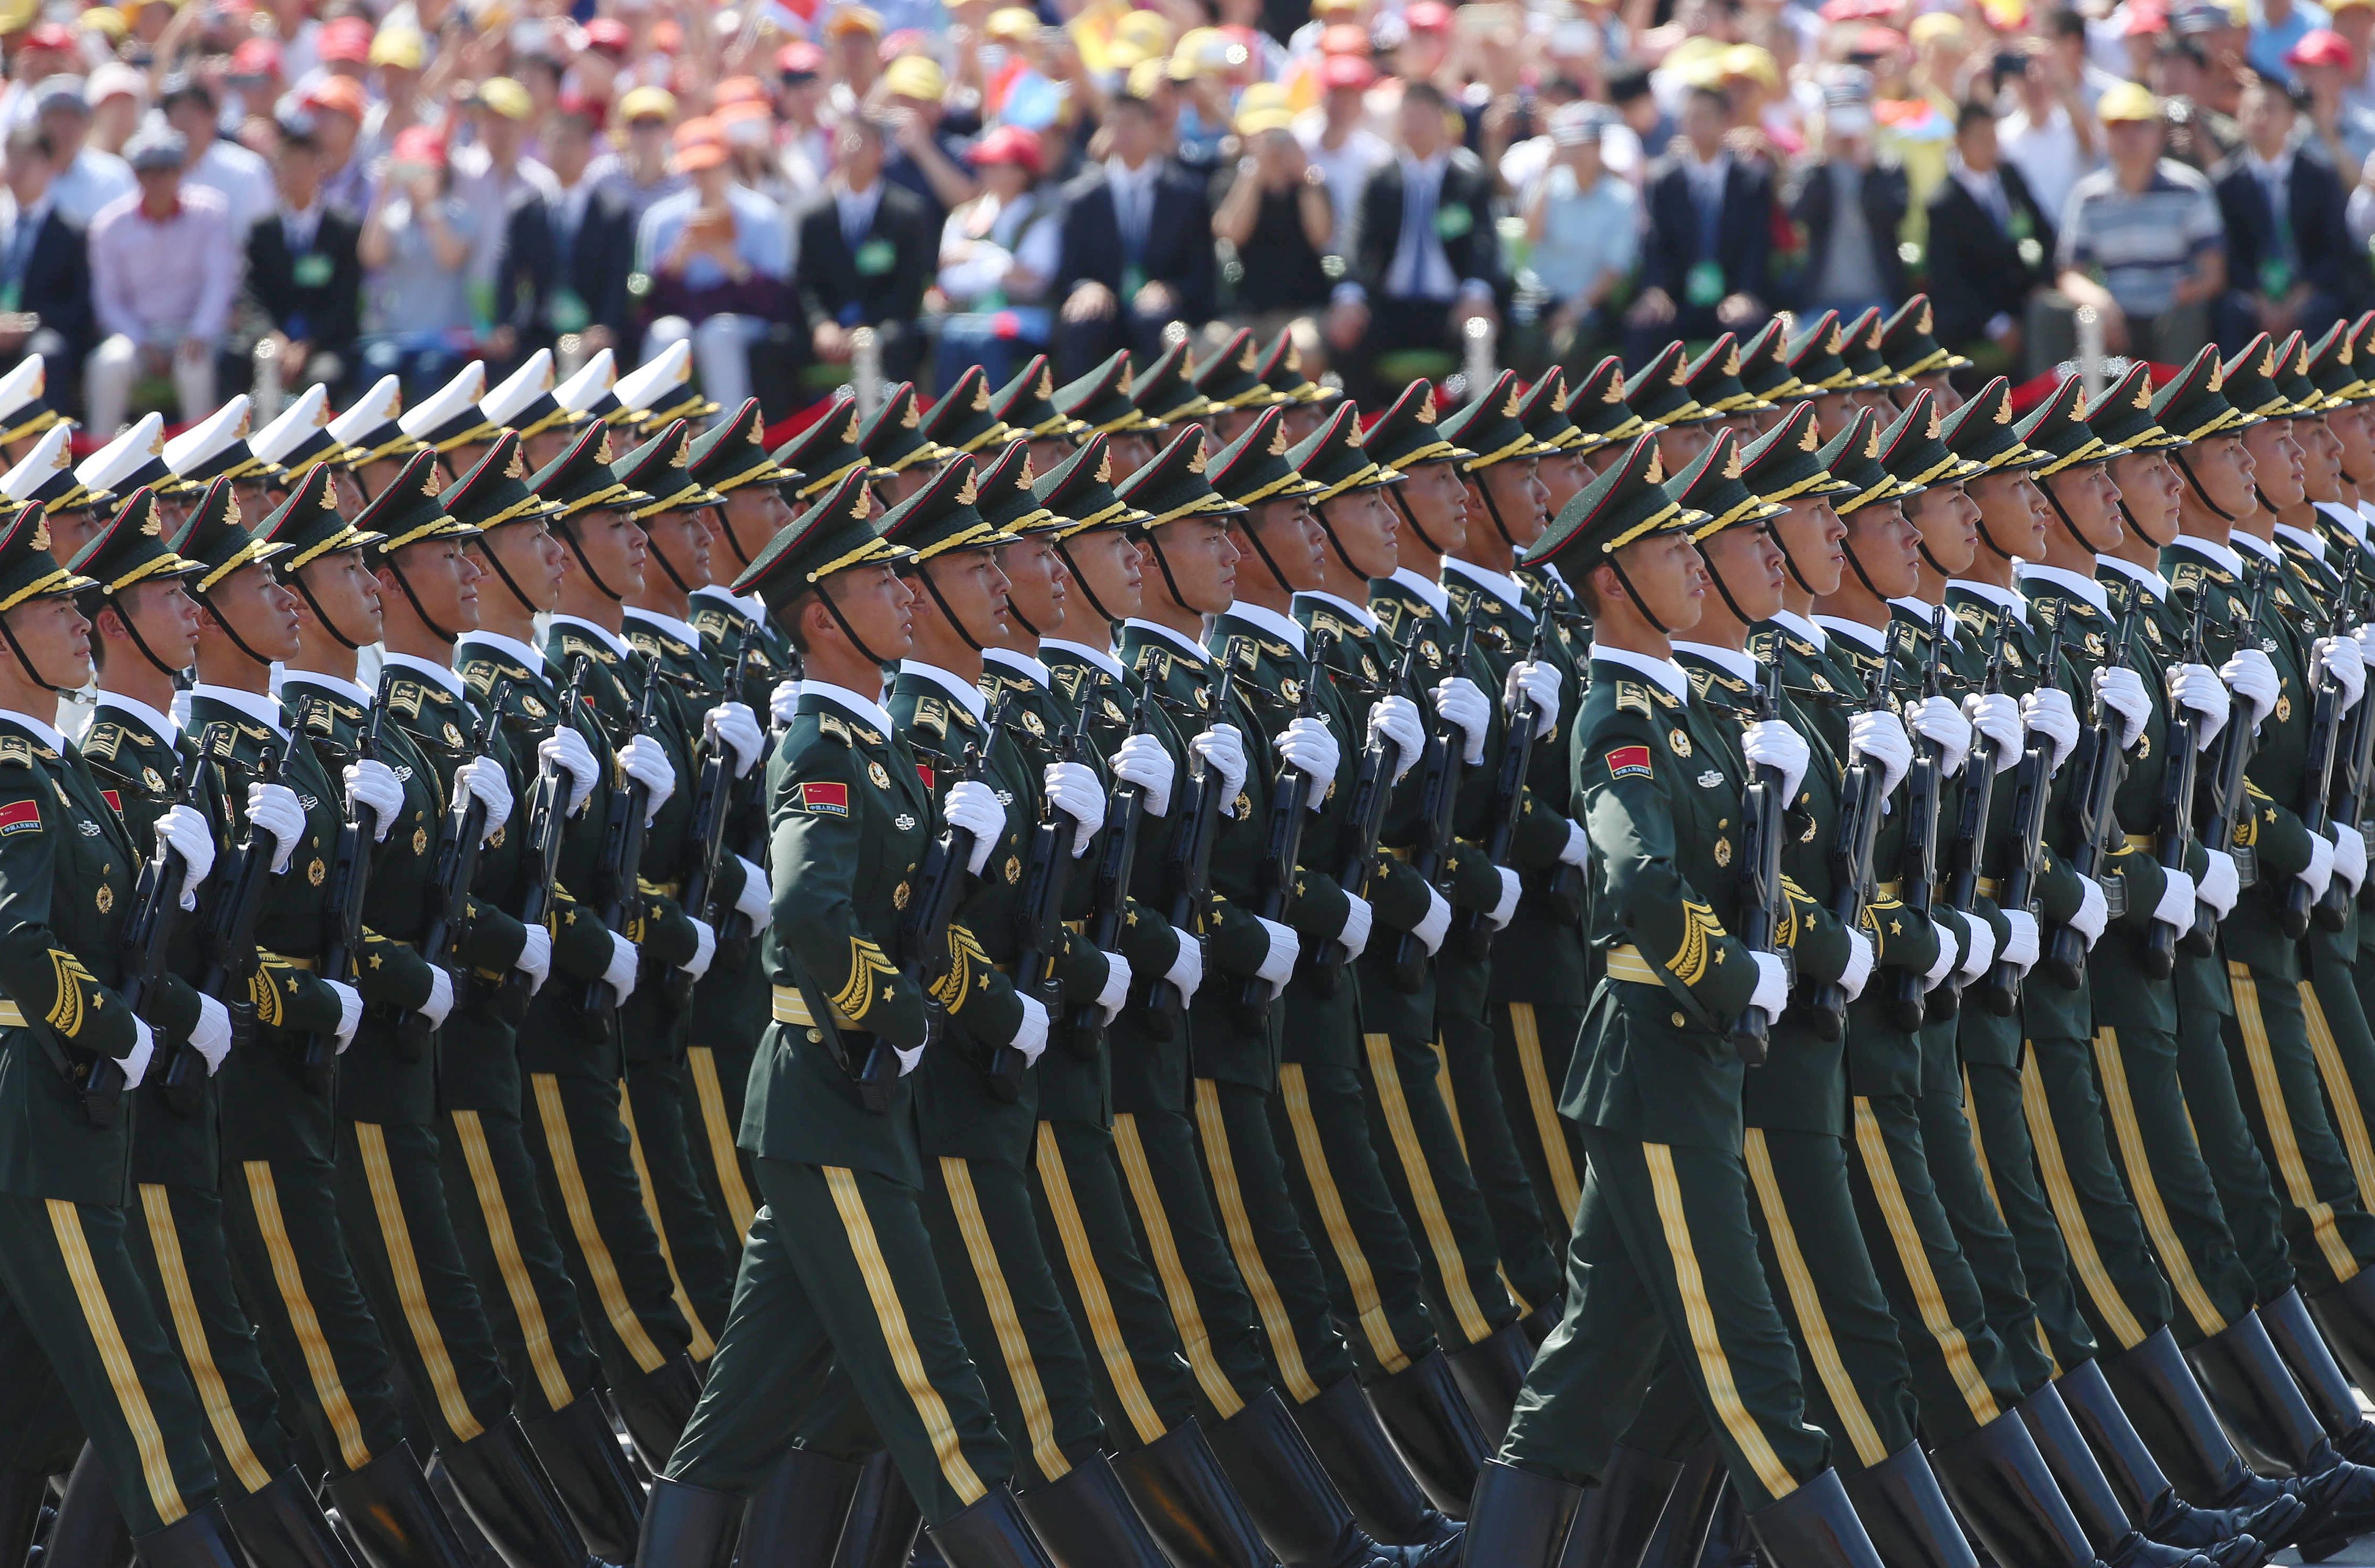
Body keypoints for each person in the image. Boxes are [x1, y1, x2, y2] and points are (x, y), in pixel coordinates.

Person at [1329, 80, 1504, 405]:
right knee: (1345, 337)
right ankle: (1364, 437)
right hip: (1391, 305)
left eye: (1424, 115)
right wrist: (1350, 295)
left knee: (1481, 335)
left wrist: (1475, 291)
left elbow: (1484, 241)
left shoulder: (1467, 177)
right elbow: (1358, 239)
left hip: (1450, 306)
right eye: (1409, 116)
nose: (1416, 125)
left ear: (1443, 120)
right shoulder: (1381, 178)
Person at [2051, 82, 2229, 364]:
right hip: (2113, 318)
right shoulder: (2088, 196)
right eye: (2118, 127)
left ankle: (2179, 405)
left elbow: (2214, 273)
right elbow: (2070, 274)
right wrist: (2099, 302)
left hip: (2173, 314)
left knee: (2192, 318)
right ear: (2104, 135)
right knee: (2053, 312)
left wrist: (2186, 293)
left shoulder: (2190, 189)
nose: (2129, 136)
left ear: (2159, 132)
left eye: (2140, 125)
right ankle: (2058, 406)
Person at [85, 125, 237, 436]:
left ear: (180, 172)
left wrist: (200, 332)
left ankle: (202, 467)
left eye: (166, 171)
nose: (156, 180)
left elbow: (220, 281)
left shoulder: (210, 213)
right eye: (147, 171)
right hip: (139, 333)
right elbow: (108, 299)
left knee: (193, 369)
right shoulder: (110, 225)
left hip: (193, 333)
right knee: (109, 364)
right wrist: (140, 339)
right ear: (135, 175)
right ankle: (98, 461)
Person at [1053, 90, 1217, 379]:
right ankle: (1081, 416)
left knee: (1157, 321)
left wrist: (1170, 289)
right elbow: (1068, 270)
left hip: (1161, 310)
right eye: (1114, 124)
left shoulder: (1186, 193)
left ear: (1153, 128)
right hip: (1107, 305)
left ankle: (1165, 416)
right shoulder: (1081, 196)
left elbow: (1202, 271)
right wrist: (1085, 286)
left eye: (1131, 123)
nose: (1122, 133)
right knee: (1081, 322)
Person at [637, 122, 790, 422]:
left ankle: (730, 438)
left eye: (711, 168)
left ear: (727, 165)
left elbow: (778, 301)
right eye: (696, 170)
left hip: (746, 323)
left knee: (718, 333)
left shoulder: (762, 214)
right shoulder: (662, 219)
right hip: (686, 319)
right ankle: (649, 439)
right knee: (666, 333)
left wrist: (731, 263)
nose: (703, 178)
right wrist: (677, 263)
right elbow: (648, 301)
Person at [1625, 85, 1774, 365]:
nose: (1698, 126)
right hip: (1680, 297)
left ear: (1726, 121)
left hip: (1732, 293)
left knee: (1748, 328)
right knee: (1644, 328)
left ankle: (1746, 410)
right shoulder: (1663, 180)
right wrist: (1656, 290)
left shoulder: (1752, 179)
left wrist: (1746, 293)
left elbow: (1758, 244)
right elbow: (1655, 241)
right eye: (1691, 118)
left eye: (1706, 117)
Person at [2212, 77, 2364, 349]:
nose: (2261, 119)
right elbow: (2228, 254)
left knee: (2325, 311)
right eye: (2252, 111)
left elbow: (2335, 248)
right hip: (2254, 293)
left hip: (2309, 289)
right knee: (2231, 312)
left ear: (2292, 119)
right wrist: (2260, 298)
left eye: (2270, 109)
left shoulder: (2319, 176)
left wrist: (2300, 296)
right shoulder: (2225, 183)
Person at [492, 100, 637, 373]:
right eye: (557, 142)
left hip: (595, 330)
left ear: (589, 150)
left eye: (573, 142)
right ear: (543, 148)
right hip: (540, 330)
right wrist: (505, 325)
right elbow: (508, 270)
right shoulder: (524, 210)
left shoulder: (613, 212)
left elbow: (618, 276)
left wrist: (606, 326)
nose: (565, 151)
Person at [796, 113, 936, 389]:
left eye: (860, 141)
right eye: (844, 141)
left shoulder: (907, 213)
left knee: (899, 342)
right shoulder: (814, 218)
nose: (851, 148)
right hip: (832, 327)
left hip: (884, 325)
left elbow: (910, 284)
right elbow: (806, 283)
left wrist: (863, 329)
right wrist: (822, 325)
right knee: (774, 346)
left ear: (880, 152)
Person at [1927, 100, 2060, 372]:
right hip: (1976, 316)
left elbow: (2045, 231)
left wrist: (2043, 283)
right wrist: (1996, 324)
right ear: (1960, 142)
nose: (1989, 145)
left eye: (1993, 136)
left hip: (2022, 301)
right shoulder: (1944, 204)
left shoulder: (2010, 178)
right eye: (1980, 138)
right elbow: (1948, 279)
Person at [243, 108, 362, 400]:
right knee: (248, 365)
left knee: (324, 379)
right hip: (274, 341)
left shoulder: (342, 228)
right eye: (286, 165)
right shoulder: (263, 231)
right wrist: (273, 336)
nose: (293, 174)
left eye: (301, 164)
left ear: (318, 168)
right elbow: (251, 294)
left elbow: (345, 300)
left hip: (325, 343)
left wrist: (309, 344)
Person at [934, 125, 1063, 391]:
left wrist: (976, 253)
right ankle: (947, 430)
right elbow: (950, 279)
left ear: (1022, 171)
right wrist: (1004, 268)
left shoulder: (1044, 216)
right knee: (951, 340)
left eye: (996, 164)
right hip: (968, 318)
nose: (986, 171)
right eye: (984, 164)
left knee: (988, 342)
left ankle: (999, 426)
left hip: (1025, 320)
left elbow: (1034, 280)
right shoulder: (964, 215)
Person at [1209, 97, 1335, 353]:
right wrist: (1255, 174)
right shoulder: (1229, 180)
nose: (1273, 146)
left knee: (1304, 348)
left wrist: (1303, 174)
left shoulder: (1310, 184)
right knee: (1207, 347)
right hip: (1246, 314)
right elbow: (1231, 233)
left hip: (1301, 312)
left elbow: (1321, 237)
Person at [1521, 104, 1638, 374]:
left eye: (1582, 145)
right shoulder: (1549, 186)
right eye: (1568, 145)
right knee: (1519, 345)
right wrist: (1546, 173)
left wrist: (1575, 310)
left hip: (1588, 306)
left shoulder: (1620, 198)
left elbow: (1615, 268)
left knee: (1567, 352)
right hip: (1540, 300)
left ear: (1598, 147)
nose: (1574, 153)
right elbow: (1531, 235)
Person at [1785, 76, 1909, 324]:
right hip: (1821, 303)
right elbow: (1799, 215)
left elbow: (1893, 216)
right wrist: (1824, 162)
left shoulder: (1887, 168)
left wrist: (1869, 171)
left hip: (1877, 300)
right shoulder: (1810, 169)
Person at [0, 126, 92, 406]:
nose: (18, 170)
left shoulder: (71, 232)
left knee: (46, 354)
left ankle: (42, 444)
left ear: (50, 167)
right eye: (12, 160)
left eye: (27, 161)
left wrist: (28, 324)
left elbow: (77, 307)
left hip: (39, 332)